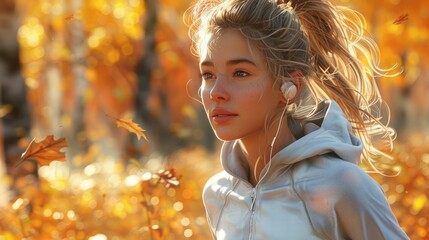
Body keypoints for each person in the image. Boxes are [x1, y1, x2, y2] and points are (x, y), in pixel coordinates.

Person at [185, 0, 409, 239]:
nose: (216, 92)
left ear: (289, 86)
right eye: (208, 75)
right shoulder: (217, 194)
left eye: (240, 73)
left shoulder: (342, 185)